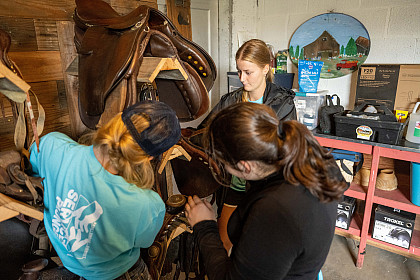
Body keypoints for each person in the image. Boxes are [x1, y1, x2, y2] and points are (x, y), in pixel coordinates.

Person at [185, 102, 347, 280]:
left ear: (245, 166)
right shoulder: (312, 158)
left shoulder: (276, 211)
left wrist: (205, 226)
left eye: (223, 164)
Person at [29, 100, 181, 280]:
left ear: (117, 120)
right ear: (148, 158)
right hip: (116, 274)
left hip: (68, 261)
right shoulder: (148, 204)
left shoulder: (50, 145)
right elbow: (145, 242)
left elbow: (34, 166)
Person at [199, 38, 297, 252]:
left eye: (248, 72)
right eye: (239, 71)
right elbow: (204, 131)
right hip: (234, 185)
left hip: (268, 188)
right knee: (224, 240)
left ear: (265, 68)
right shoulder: (230, 101)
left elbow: (288, 149)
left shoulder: (283, 104)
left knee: (260, 246)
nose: (242, 78)